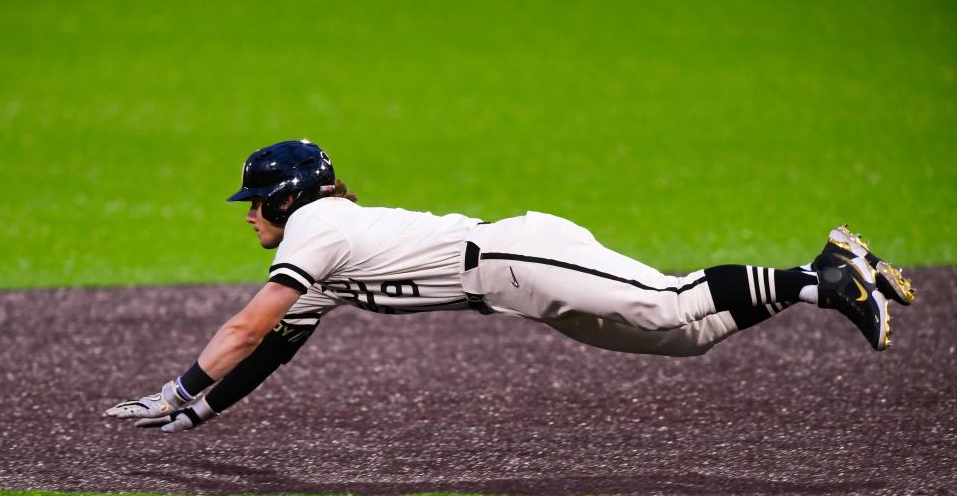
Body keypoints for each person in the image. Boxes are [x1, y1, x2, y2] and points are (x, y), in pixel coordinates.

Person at [105, 140, 915, 432]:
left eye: (256, 204)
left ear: (287, 196)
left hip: (518, 258)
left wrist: (177, 387)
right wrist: (204, 408)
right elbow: (275, 347)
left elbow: (246, 327)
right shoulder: (325, 250)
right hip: (512, 284)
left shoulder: (317, 229)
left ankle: (825, 274)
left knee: (670, 302)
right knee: (689, 335)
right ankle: (824, 278)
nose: (249, 218)